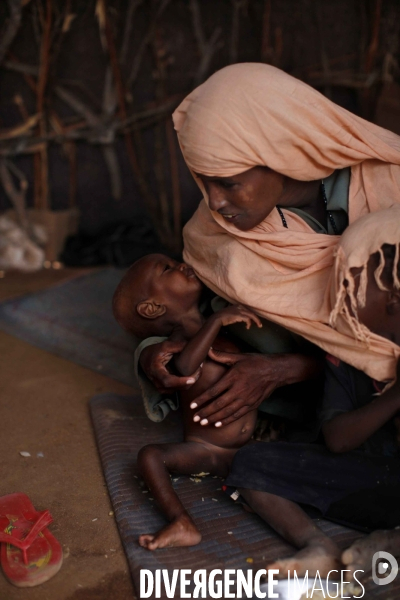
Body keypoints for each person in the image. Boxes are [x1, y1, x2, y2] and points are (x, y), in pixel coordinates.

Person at [138, 62, 400, 430]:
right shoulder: (211, 234)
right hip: (311, 416)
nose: (213, 202)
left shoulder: (390, 186)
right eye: (203, 182)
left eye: (228, 183)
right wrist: (149, 355)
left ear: (283, 154)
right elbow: (177, 315)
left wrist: (285, 369)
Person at [223, 206, 400, 578]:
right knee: (250, 463)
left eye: (351, 282)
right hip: (365, 479)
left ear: (393, 295)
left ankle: (392, 541)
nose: (339, 292)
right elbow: (336, 439)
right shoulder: (345, 351)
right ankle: (317, 545)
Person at [112, 253, 262, 550]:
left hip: (246, 447)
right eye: (167, 269)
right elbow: (184, 367)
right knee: (150, 456)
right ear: (153, 307)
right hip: (206, 449)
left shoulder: (214, 321)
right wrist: (218, 320)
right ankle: (181, 521)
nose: (181, 264)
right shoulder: (180, 340)